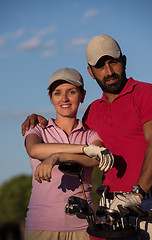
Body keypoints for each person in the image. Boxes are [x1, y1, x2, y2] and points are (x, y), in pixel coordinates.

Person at [22, 34, 152, 239]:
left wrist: (138, 194)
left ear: (124, 61)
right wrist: (36, 119)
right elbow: (63, 139)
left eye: (113, 62)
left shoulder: (146, 93)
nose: (109, 71)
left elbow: (96, 155)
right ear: (91, 72)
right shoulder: (92, 112)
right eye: (100, 66)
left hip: (145, 203)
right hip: (108, 209)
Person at [23, 67, 114, 240]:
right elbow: (34, 150)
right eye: (57, 93)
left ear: (82, 95)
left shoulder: (90, 134)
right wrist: (83, 149)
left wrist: (57, 157)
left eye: (71, 92)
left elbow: (96, 159)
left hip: (84, 228)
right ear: (50, 97)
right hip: (41, 226)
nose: (64, 99)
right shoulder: (38, 129)